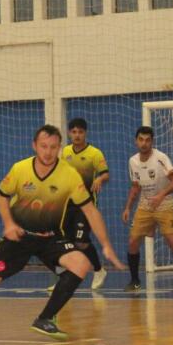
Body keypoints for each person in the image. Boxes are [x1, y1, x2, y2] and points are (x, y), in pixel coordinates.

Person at [0, 124, 124, 343]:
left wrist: (106, 245)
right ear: (34, 145)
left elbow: (90, 211)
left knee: (81, 264)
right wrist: (8, 224)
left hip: (50, 238)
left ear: (59, 148)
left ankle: (45, 318)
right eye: (43, 146)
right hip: (19, 236)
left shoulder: (69, 175)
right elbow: (1, 196)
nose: (48, 152)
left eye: (53, 147)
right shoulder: (20, 169)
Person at [121, 126, 173, 292]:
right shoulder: (133, 161)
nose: (144, 143)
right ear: (136, 141)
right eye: (141, 139)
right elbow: (135, 187)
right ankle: (135, 281)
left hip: (164, 202)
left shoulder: (161, 158)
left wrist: (161, 195)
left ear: (152, 141)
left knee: (172, 240)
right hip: (145, 203)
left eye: (147, 140)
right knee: (132, 241)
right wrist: (127, 208)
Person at [60, 117, 110, 289]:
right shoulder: (65, 152)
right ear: (69, 133)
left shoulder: (95, 153)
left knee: (81, 241)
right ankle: (64, 276)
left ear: (85, 133)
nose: (77, 135)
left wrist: (99, 179)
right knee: (63, 239)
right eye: (74, 132)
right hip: (68, 204)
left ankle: (98, 270)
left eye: (80, 132)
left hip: (86, 205)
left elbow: (106, 174)